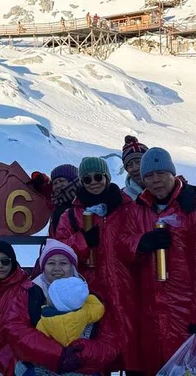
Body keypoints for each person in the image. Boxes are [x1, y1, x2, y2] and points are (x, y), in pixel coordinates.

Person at [122, 147, 196, 376]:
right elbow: (122, 246)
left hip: (185, 313)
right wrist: (141, 243)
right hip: (150, 315)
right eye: (149, 176)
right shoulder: (137, 210)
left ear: (172, 174)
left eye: (161, 174)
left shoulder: (195, 210)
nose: (156, 181)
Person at [52, 157, 137, 373]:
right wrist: (82, 240)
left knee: (133, 355)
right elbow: (58, 253)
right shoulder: (70, 215)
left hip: (127, 293)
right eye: (87, 179)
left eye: (98, 177)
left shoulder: (127, 208)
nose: (93, 182)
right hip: (90, 298)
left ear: (107, 177)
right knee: (96, 357)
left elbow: (138, 239)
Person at [0, 242, 78, 376]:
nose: (0, 266)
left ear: (13, 262)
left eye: (5, 261)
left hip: (15, 365)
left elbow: (27, 334)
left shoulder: (28, 290)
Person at [35, 276, 105, 347]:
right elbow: (99, 308)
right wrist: (86, 297)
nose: (47, 297)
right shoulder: (86, 312)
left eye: (50, 295)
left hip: (57, 354)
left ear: (55, 302)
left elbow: (40, 339)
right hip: (82, 350)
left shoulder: (45, 319)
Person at [29, 165, 79, 239]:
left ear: (72, 181)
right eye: (55, 183)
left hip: (76, 246)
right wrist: (41, 180)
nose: (58, 185)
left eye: (61, 181)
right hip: (57, 244)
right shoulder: (55, 202)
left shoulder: (81, 200)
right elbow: (46, 188)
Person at [121, 136, 148, 201]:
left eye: (139, 162)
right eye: (130, 165)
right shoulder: (122, 197)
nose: (135, 168)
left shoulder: (166, 190)